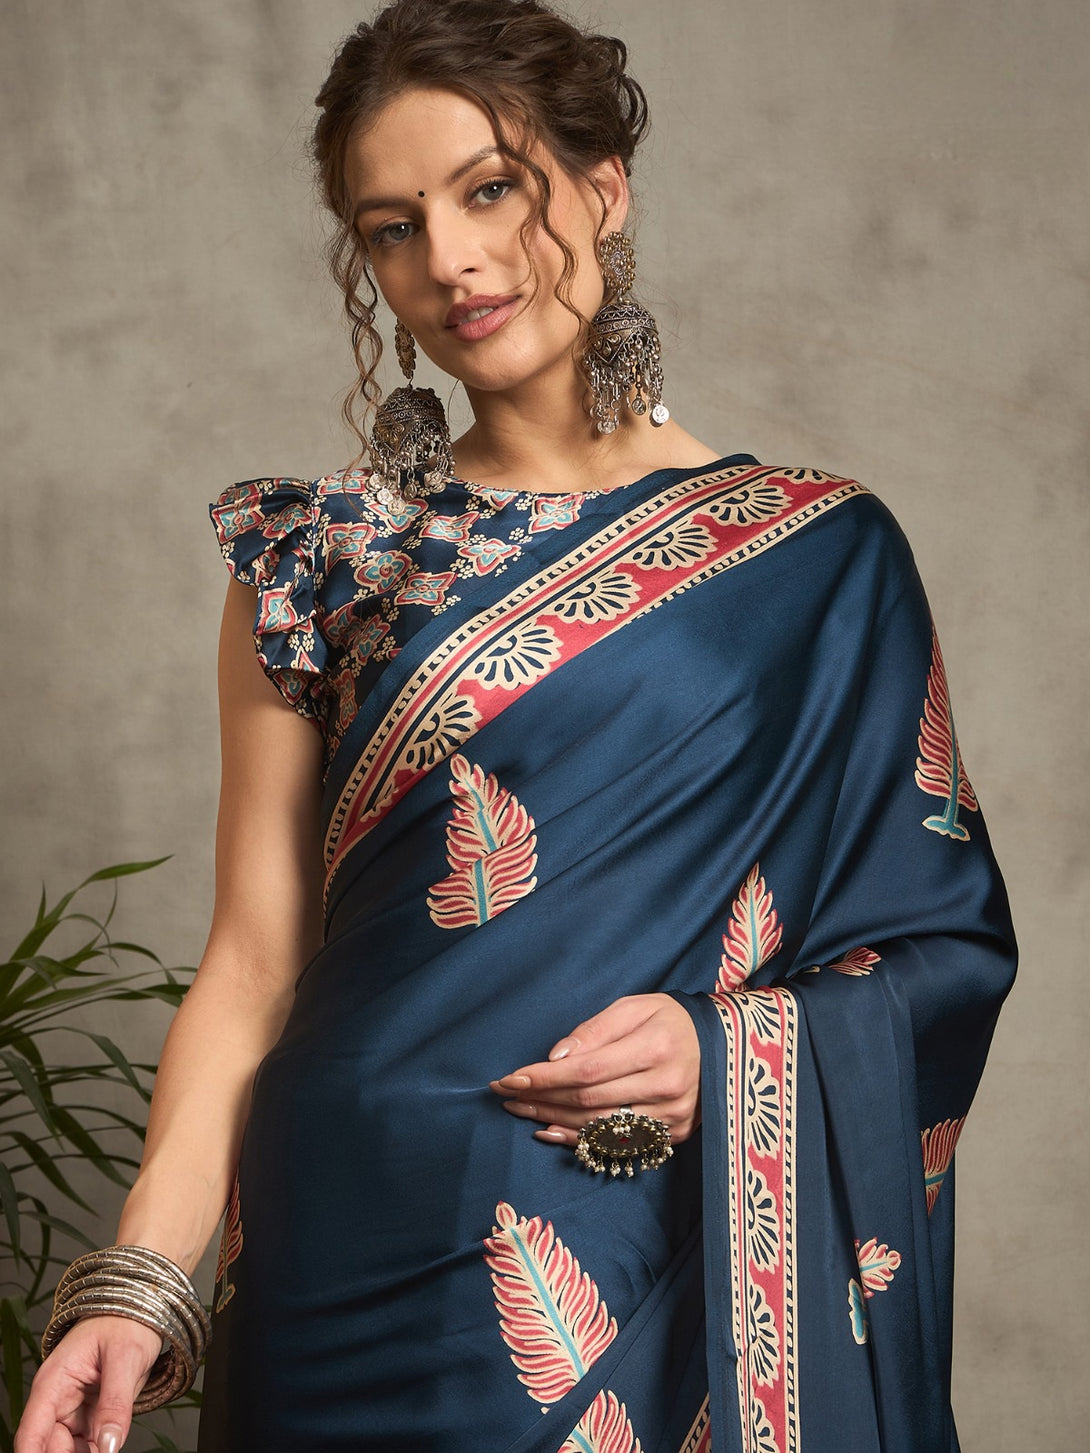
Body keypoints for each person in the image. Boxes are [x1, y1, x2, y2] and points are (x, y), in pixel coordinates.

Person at [16, 2, 1016, 1450]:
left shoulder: (821, 559)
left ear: (604, 190)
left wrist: (725, 1051)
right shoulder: (320, 558)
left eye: (489, 190)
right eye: (393, 227)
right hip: (331, 1248)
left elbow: (942, 943)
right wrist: (139, 1287)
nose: (449, 260)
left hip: (631, 1242)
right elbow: (251, 965)